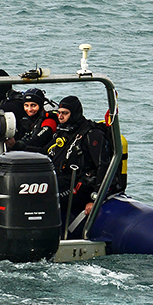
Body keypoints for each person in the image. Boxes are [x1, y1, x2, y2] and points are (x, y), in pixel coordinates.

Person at [45, 95, 115, 238]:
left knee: (47, 198)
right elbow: (45, 151)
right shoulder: (64, 131)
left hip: (82, 187)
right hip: (63, 180)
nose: (60, 117)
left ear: (75, 113)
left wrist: (94, 200)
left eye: (65, 113)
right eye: (59, 113)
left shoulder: (92, 134)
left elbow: (103, 166)